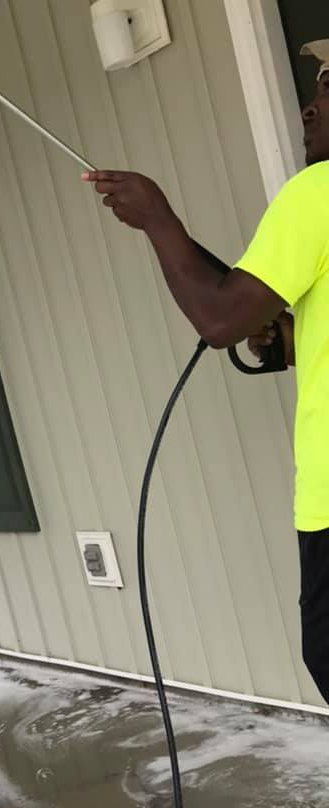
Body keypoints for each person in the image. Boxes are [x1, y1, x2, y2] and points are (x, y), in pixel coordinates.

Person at [84, 41, 329, 703]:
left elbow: (220, 320)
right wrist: (281, 334)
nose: (309, 107)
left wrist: (158, 221)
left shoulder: (319, 193)